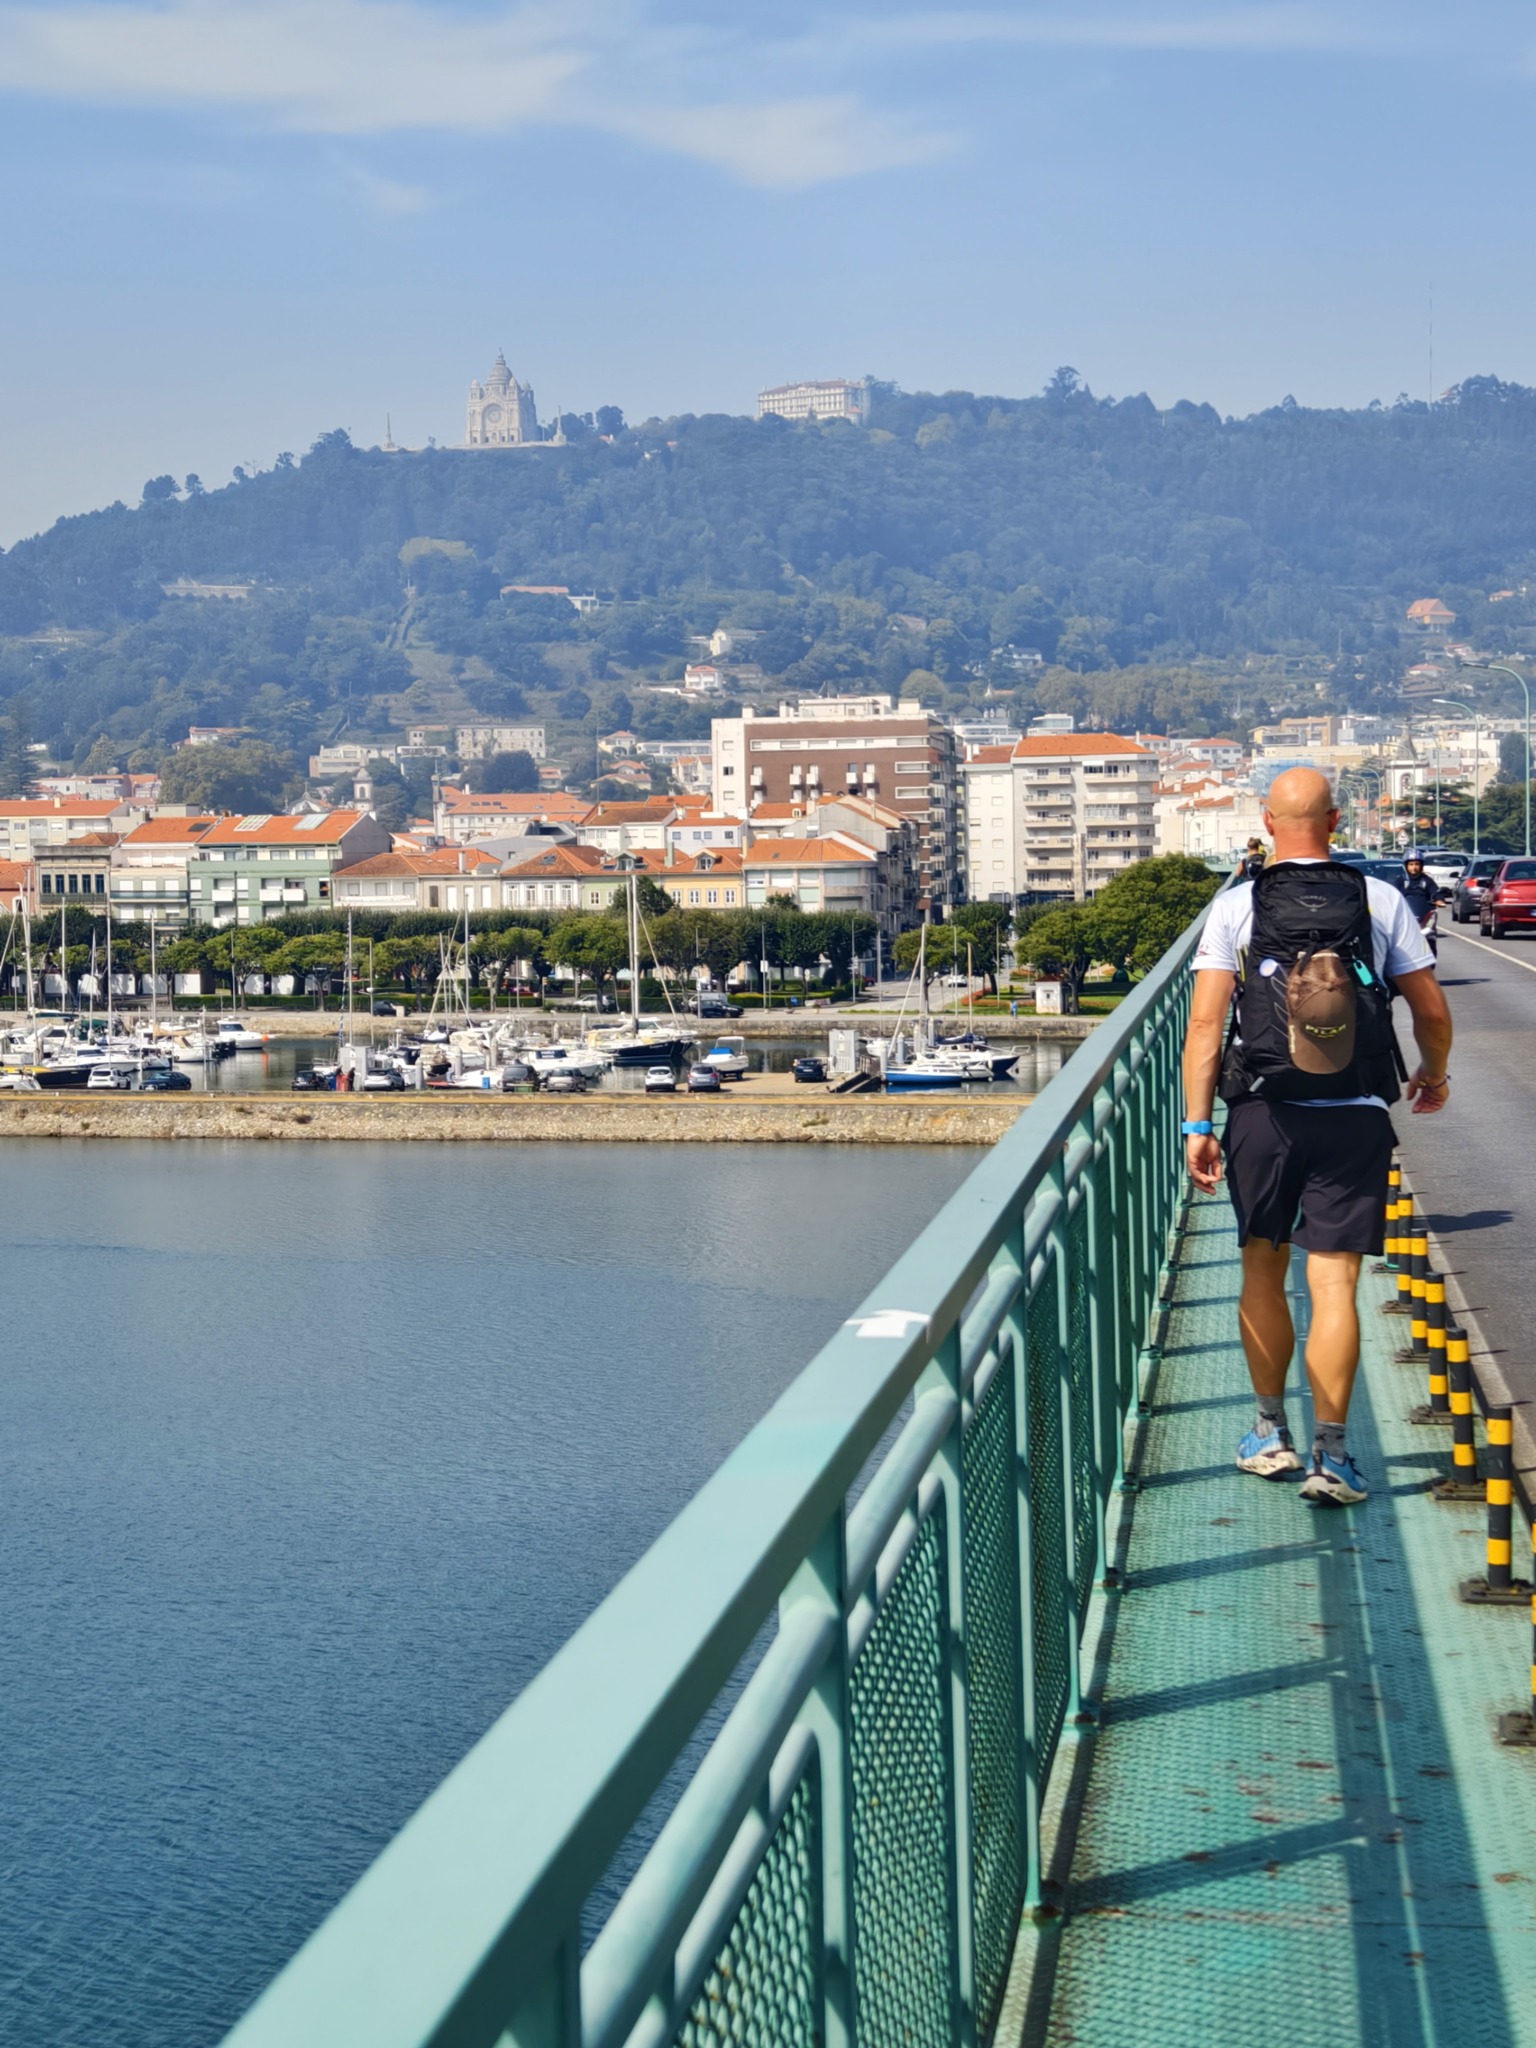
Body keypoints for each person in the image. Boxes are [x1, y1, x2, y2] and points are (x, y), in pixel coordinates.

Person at [1182, 768, 1453, 1507]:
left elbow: (1206, 1023)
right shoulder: (1381, 899)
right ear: (1335, 821)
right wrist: (1432, 1074)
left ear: (1267, 822)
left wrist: (1198, 1125)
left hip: (1263, 1112)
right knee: (1334, 1284)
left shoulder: (1236, 905)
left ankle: (1269, 1435)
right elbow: (1430, 1010)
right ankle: (1332, 1457)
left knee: (1261, 1270)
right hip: (1355, 1111)